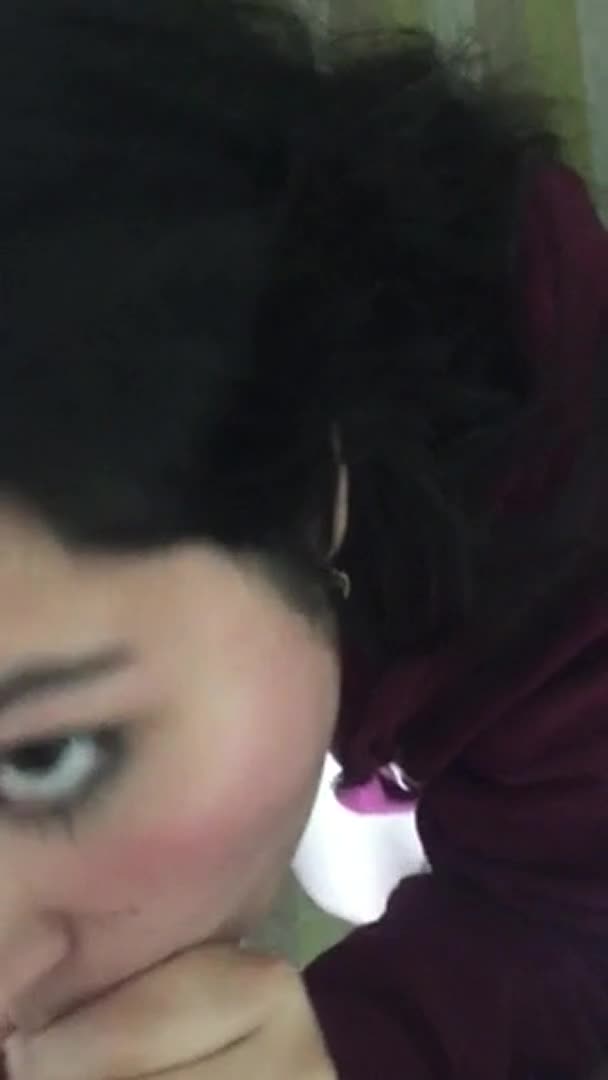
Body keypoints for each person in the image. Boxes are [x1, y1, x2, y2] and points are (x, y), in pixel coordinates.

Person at [0, 1, 607, 1077]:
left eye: (42, 758)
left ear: (315, 493)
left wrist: (355, 1052)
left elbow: (579, 930)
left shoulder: (552, 436)